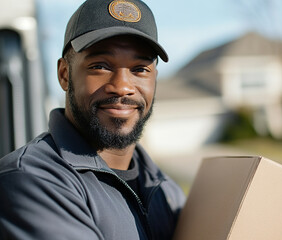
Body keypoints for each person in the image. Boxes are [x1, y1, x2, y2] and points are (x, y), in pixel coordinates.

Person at [0, 0, 185, 239]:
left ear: (155, 79)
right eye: (100, 66)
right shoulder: (30, 179)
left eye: (140, 69)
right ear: (64, 75)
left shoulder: (166, 188)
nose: (122, 87)